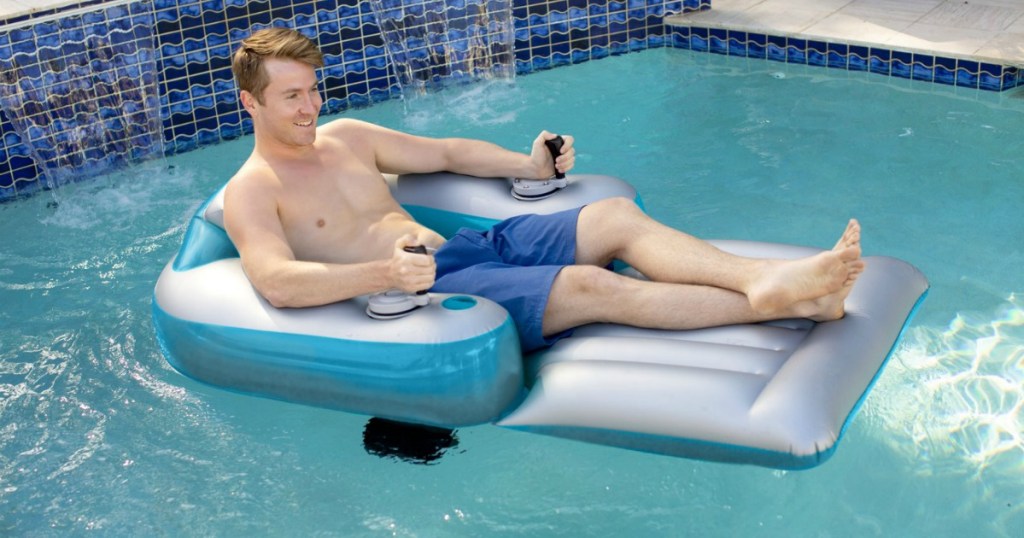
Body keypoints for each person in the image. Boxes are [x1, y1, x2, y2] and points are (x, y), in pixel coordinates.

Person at [223, 28, 865, 352]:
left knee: (613, 213)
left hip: (470, 247)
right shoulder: (252, 192)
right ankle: (787, 303)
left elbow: (445, 151)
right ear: (251, 103)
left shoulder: (347, 136)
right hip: (424, 289)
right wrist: (379, 274)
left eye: (312, 90)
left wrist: (528, 168)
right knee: (592, 287)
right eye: (292, 97)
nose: (311, 107)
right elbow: (277, 281)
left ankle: (761, 278)